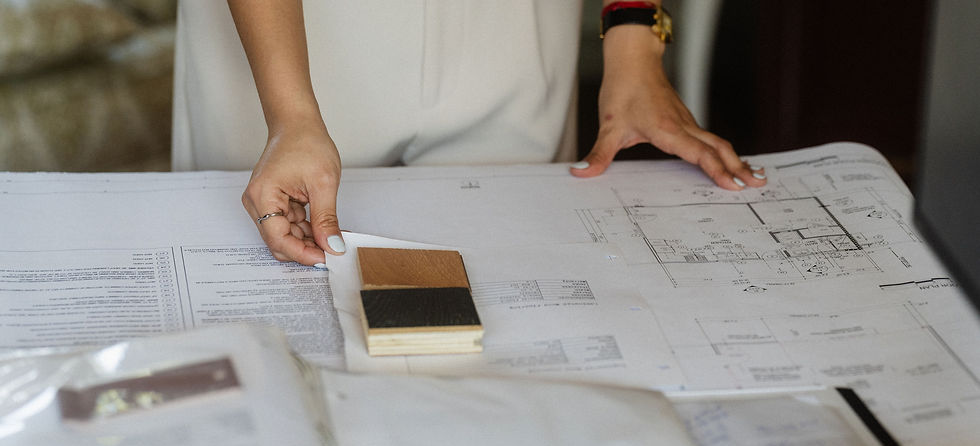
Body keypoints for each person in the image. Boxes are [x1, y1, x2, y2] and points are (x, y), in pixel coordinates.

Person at [172, 1, 766, 267]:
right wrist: (290, 113)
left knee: (525, 309)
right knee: (269, 326)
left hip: (513, 29)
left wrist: (633, 37)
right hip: (284, 37)